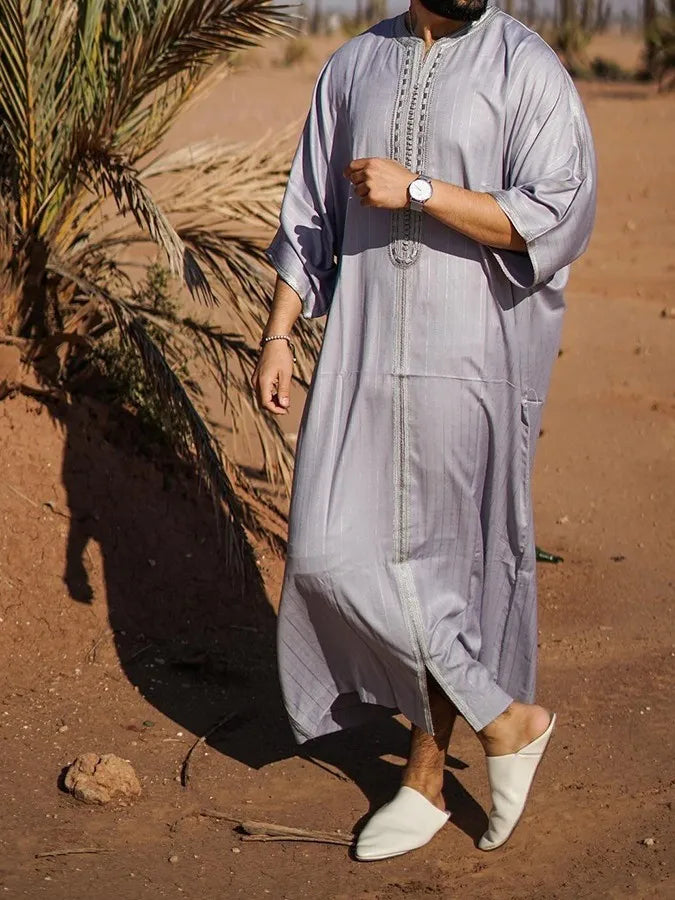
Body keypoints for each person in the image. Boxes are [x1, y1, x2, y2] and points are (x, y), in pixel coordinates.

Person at [252, 0, 596, 860]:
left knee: (442, 572)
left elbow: (554, 214)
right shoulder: (352, 67)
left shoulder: (526, 68)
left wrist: (417, 190)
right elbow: (309, 214)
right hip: (360, 355)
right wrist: (278, 334)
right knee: (324, 555)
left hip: (469, 359)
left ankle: (424, 780)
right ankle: (505, 717)